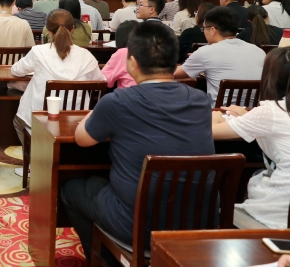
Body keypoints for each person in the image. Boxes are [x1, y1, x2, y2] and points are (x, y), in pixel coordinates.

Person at [61, 22, 213, 263]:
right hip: (195, 221)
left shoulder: (118, 102)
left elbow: (82, 139)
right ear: (175, 62)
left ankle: (104, 260)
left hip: (136, 225)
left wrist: (96, 109)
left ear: (132, 63)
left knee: (71, 189)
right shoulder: (200, 100)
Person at [11, 9, 104, 177]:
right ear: (73, 29)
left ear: (48, 31)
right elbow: (101, 82)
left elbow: (16, 70)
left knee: (19, 122)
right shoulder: (87, 56)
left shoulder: (39, 52)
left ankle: (35, 163)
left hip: (43, 120)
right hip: (76, 121)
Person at [212, 47, 290, 229]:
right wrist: (248, 116)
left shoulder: (270, 111)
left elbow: (210, 131)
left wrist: (215, 116)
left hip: (281, 210)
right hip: (288, 203)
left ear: (270, 77)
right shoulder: (272, 113)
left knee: (221, 213)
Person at [175, 6, 266, 106]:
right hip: (253, 111)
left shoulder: (206, 52)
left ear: (212, 30)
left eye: (204, 28)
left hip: (220, 112)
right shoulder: (259, 51)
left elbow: (174, 74)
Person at [101, 20, 140, 89]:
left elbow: (103, 80)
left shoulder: (123, 52)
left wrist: (110, 60)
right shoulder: (151, 50)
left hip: (129, 93)